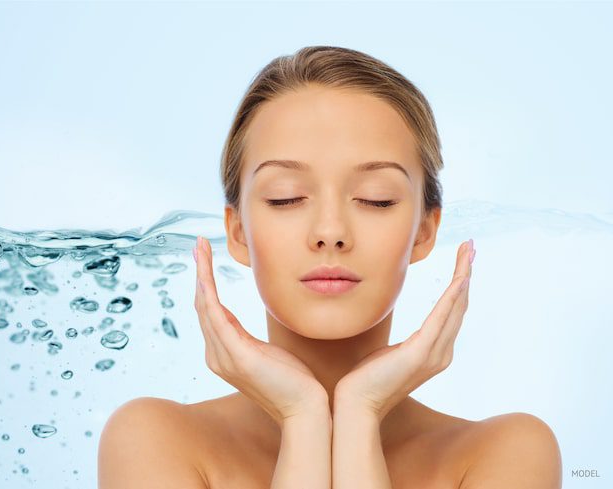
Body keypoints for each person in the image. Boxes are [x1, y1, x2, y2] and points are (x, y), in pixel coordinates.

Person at [98, 45, 562, 488]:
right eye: (287, 197)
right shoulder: (155, 440)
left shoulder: (505, 453)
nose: (330, 231)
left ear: (424, 230)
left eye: (375, 199)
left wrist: (361, 410)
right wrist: (303, 416)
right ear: (238, 232)